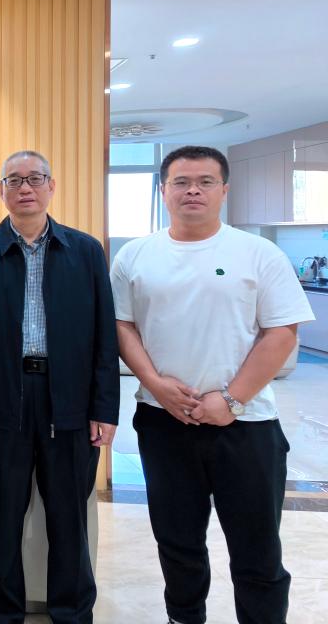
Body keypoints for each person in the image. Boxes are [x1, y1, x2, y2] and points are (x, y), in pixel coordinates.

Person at [110, 145, 313, 624]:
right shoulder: (135, 255)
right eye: (181, 182)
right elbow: (122, 326)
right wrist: (154, 383)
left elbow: (282, 332)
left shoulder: (258, 253)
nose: (193, 191)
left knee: (257, 548)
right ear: (164, 191)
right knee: (177, 543)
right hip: (163, 422)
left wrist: (231, 399)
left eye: (205, 182)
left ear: (224, 190)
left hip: (246, 426)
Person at [0, 150, 119, 624]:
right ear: (1, 190)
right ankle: (3, 614)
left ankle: (72, 612)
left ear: (51, 186)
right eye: (15, 180)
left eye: (35, 178)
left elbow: (104, 336)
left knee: (69, 518)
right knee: (3, 518)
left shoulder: (85, 251)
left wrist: (104, 408)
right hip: (3, 399)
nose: (25, 188)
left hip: (70, 401)